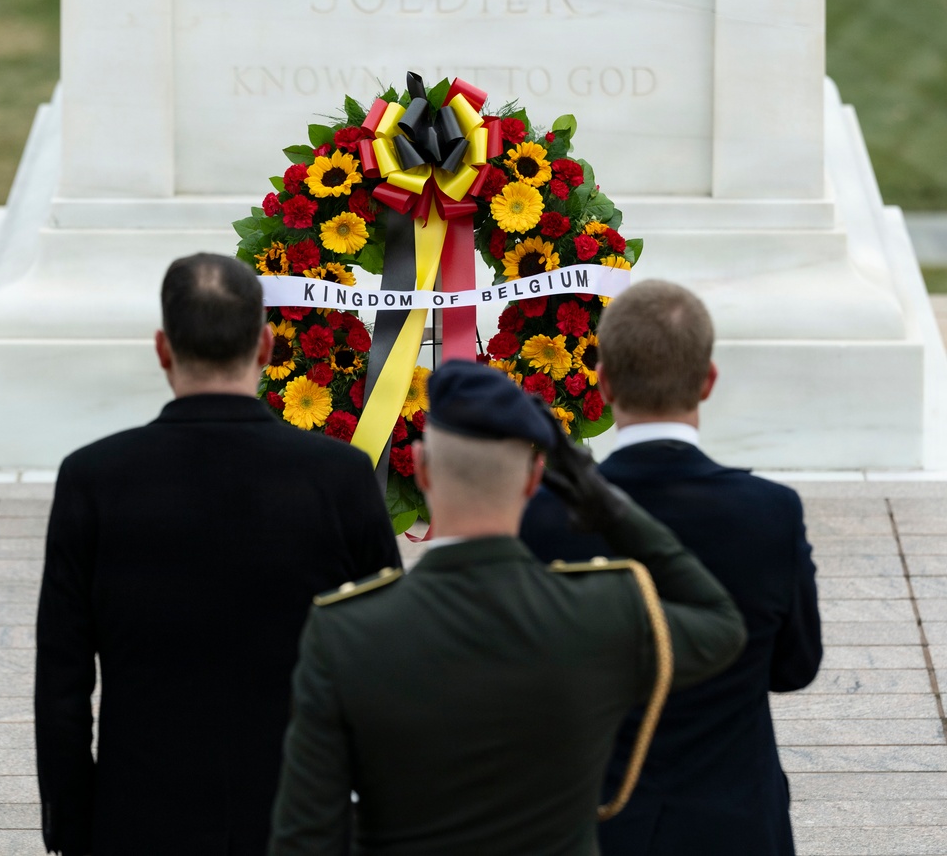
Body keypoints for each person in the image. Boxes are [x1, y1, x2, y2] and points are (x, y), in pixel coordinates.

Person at [269, 358, 747, 856]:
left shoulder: (346, 633)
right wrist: (610, 507)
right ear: (534, 477)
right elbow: (722, 624)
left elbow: (306, 840)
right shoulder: (605, 613)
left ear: (425, 470)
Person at [34, 252, 399, 856]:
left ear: (162, 348)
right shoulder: (341, 478)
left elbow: (62, 682)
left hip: (141, 819)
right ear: (266, 345)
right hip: (303, 818)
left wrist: (73, 828)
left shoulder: (93, 478)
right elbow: (386, 668)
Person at [521, 279, 823, 856]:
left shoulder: (542, 517)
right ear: (707, 382)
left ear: (603, 382)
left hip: (596, 824)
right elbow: (795, 667)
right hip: (733, 822)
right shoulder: (770, 513)